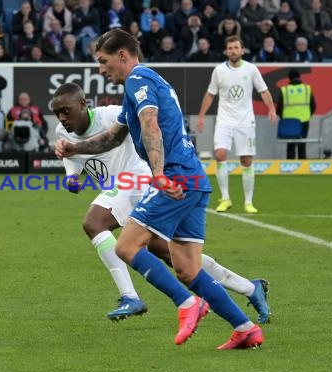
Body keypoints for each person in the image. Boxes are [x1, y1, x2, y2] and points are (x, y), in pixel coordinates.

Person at [56, 28, 264, 349]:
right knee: (187, 269)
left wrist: (157, 173)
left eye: (103, 61)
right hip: (194, 178)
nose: (100, 69)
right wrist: (75, 149)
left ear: (122, 55)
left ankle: (186, 304)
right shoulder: (141, 86)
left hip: (174, 177)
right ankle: (245, 326)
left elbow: (150, 122)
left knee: (126, 246)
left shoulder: (139, 80)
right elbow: (112, 137)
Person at [197, 35, 277, 214]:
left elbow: (263, 91)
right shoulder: (219, 70)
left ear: (242, 50)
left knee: (246, 160)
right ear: (226, 51)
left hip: (245, 121)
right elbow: (210, 94)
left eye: (236, 48)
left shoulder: (251, 69)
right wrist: (201, 116)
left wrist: (271, 109)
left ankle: (248, 202)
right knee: (220, 154)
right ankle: (225, 198)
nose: (233, 51)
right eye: (230, 48)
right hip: (224, 120)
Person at [277, 69, 316, 159]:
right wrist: (307, 116)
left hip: (289, 122)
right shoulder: (307, 89)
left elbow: (279, 108)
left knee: (290, 146)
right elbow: (313, 105)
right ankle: (302, 169)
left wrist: (284, 118)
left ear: (289, 78)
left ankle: (290, 168)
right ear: (299, 76)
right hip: (304, 121)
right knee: (302, 145)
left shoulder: (285, 90)